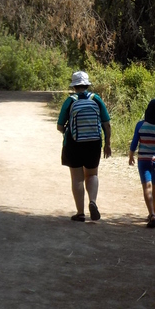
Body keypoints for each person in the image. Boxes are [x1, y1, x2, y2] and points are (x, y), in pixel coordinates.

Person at [57, 71, 111, 222]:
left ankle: (80, 213)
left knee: (77, 178)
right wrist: (107, 144)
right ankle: (92, 201)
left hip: (74, 144)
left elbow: (59, 126)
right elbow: (106, 124)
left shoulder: (70, 101)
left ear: (74, 86)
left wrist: (67, 130)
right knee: (92, 175)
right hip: (94, 143)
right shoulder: (96, 99)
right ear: (87, 85)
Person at [128, 98, 155, 228]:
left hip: (143, 161)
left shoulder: (140, 125)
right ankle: (153, 213)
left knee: (147, 187)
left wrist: (131, 156)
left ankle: (151, 214)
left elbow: (134, 142)